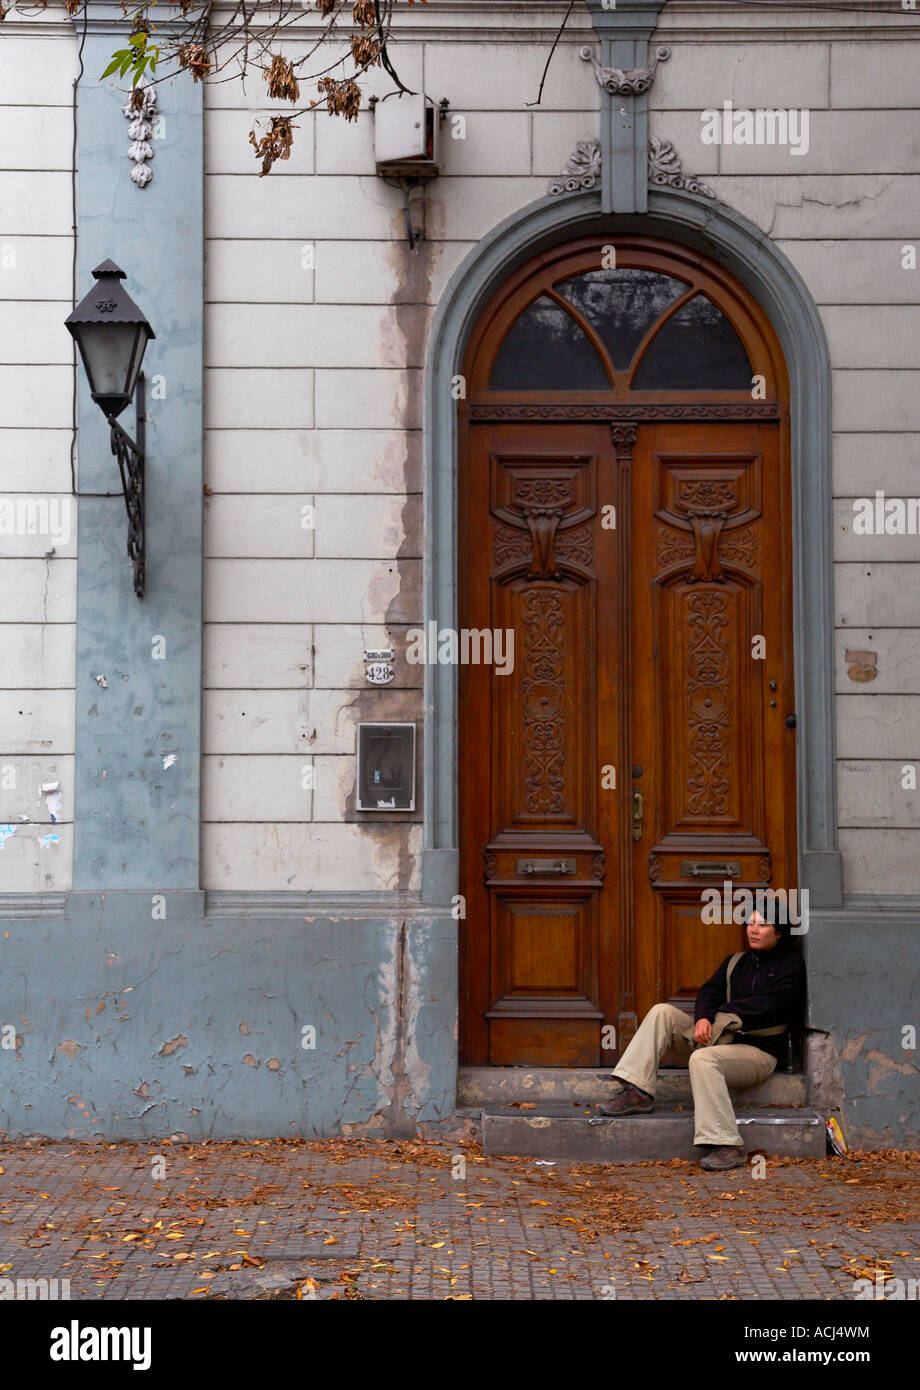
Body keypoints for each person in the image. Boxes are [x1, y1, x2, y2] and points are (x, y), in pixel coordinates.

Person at [597, 905, 806, 1171]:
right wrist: (704, 1018)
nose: (753, 930)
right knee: (662, 1012)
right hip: (717, 1037)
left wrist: (724, 1015)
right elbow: (709, 992)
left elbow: (771, 1005)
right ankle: (638, 1091)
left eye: (762, 925)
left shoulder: (791, 967)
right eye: (750, 924)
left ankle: (727, 1145)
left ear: (779, 932)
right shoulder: (735, 962)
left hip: (757, 1052)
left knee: (703, 1059)